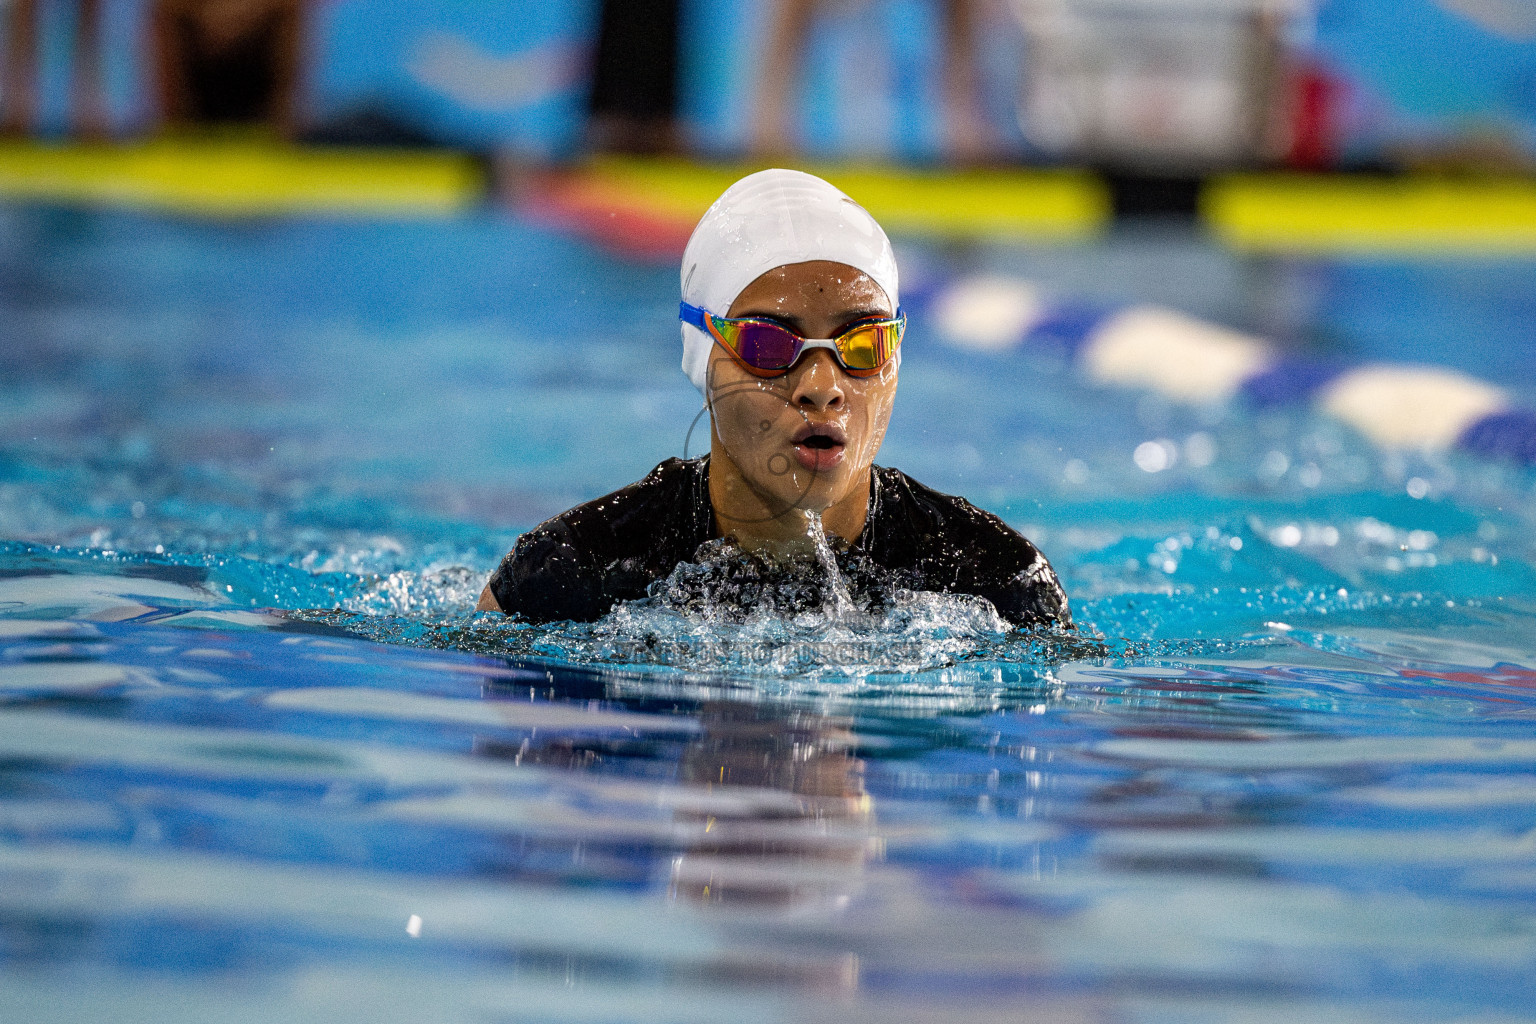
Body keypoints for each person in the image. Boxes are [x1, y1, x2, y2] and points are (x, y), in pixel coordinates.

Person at [476, 168, 1070, 629]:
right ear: (702, 355)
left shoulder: (995, 582)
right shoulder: (572, 573)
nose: (822, 387)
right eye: (767, 344)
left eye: (862, 343)